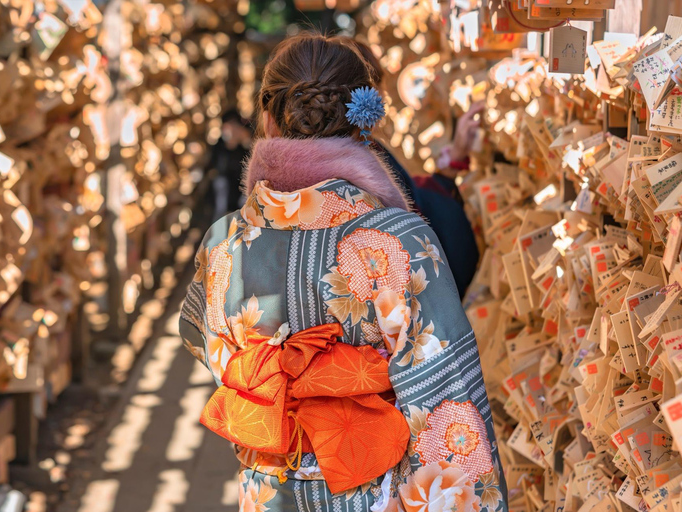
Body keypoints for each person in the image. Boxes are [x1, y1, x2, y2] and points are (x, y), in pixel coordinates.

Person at [180, 33, 507, 512]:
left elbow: (202, 339)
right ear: (363, 127)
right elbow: (445, 400)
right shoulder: (396, 241)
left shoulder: (223, 242)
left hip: (268, 487)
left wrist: (282, 382)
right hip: (371, 488)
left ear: (267, 118)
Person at [338, 37, 480, 298]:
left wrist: (451, 163)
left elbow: (414, 198)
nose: (385, 96)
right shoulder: (358, 170)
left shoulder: (361, 155)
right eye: (378, 87)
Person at [210, 109, 253, 219]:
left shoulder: (247, 142)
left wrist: (245, 140)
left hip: (245, 196)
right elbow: (219, 169)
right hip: (227, 199)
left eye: (234, 125)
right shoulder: (220, 147)